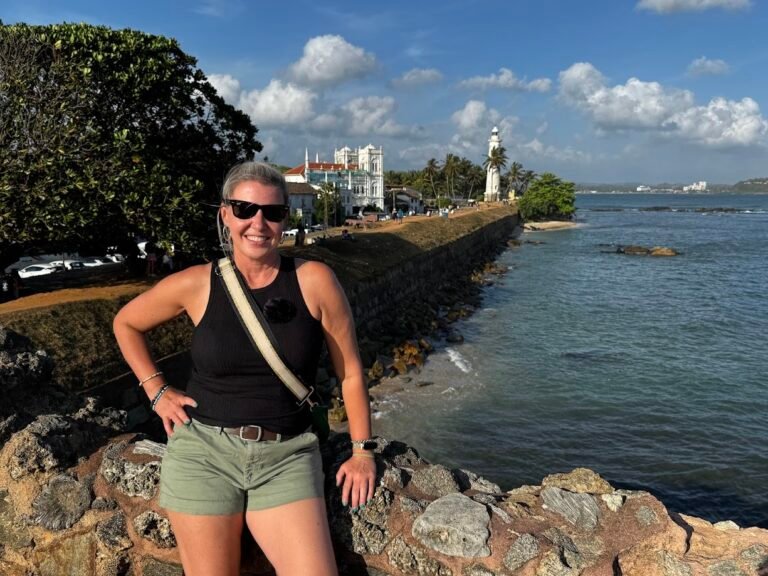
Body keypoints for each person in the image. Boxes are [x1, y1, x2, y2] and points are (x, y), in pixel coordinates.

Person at [113, 161, 375, 576]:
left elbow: (352, 374)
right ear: (225, 214)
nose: (259, 222)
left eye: (272, 212)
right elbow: (125, 322)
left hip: (286, 455)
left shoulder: (314, 280)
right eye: (244, 209)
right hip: (204, 454)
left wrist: (363, 451)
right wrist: (157, 390)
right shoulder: (198, 283)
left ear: (285, 218)